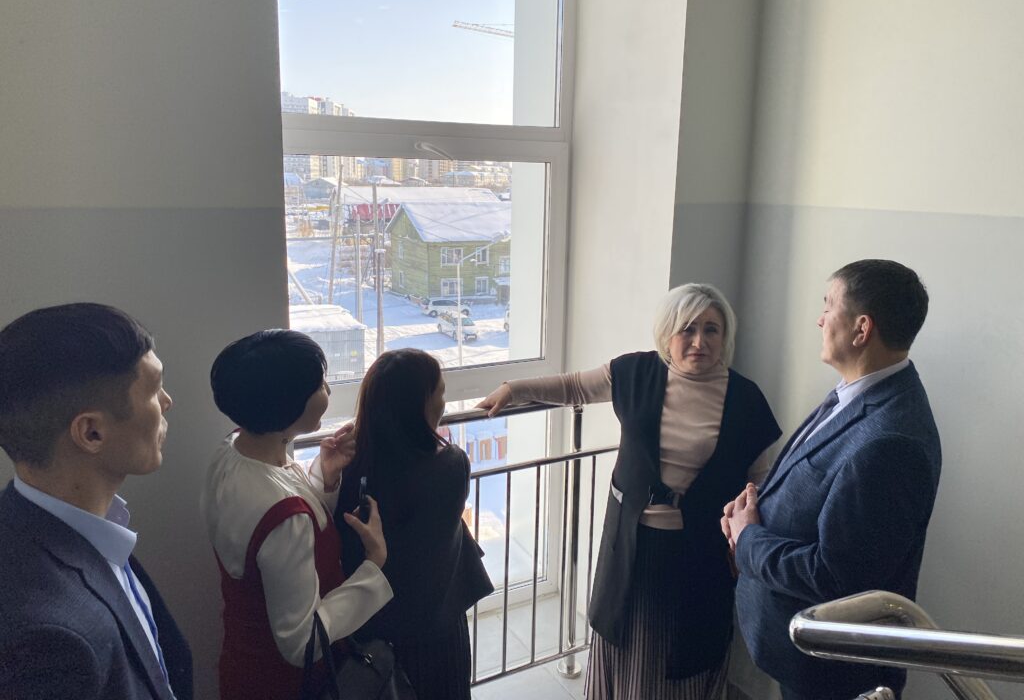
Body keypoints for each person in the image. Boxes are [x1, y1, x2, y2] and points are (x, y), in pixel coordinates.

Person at [478, 283, 781, 699]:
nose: (699, 341)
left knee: (690, 654)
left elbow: (760, 481)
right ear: (667, 333)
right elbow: (574, 386)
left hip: (701, 553)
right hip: (632, 546)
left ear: (724, 336)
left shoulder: (746, 398)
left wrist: (744, 541)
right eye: (687, 329)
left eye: (711, 330)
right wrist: (514, 389)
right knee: (626, 646)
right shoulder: (636, 372)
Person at [723, 259, 941, 700]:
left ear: (862, 329)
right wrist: (758, 504)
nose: (820, 320)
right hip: (799, 655)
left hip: (828, 673)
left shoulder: (891, 442)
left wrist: (748, 539)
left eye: (829, 306)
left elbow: (837, 578)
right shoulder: (859, 390)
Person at [0, 303, 192, 700]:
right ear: (91, 433)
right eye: (154, 389)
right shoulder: (48, 641)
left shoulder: (42, 525)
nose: (168, 401)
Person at [201, 330, 393, 700]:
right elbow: (302, 642)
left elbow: (281, 515)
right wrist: (374, 565)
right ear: (287, 403)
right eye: (319, 384)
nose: (328, 390)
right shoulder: (283, 515)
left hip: (244, 664)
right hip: (288, 686)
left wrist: (325, 474)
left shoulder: (232, 450)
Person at [336, 348, 493, 700]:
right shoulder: (450, 466)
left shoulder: (351, 473)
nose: (444, 402)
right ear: (420, 405)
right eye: (440, 392)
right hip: (438, 629)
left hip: (374, 630)